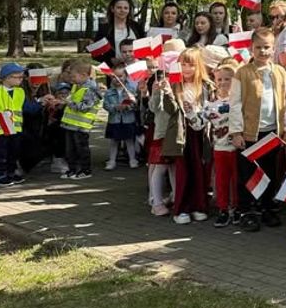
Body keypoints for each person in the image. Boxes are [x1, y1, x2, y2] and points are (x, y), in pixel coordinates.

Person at [229, 27, 286, 232]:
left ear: (273, 48)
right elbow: (235, 103)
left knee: (270, 172)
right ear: (251, 48)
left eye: (267, 47)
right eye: (258, 48)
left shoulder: (280, 72)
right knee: (248, 173)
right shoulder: (243, 73)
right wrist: (236, 132)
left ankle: (267, 207)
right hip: (250, 133)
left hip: (272, 132)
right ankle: (247, 210)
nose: (263, 51)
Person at [151, 47, 213, 225]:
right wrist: (166, 93)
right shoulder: (174, 85)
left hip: (201, 134)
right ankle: (182, 208)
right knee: (183, 172)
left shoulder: (206, 86)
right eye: (183, 64)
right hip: (181, 135)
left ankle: (199, 206)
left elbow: (210, 108)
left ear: (198, 66)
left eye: (191, 65)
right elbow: (170, 111)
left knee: (200, 171)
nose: (186, 69)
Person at [0, 62, 43, 186]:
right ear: (8, 77)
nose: (22, 79)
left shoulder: (20, 92)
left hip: (15, 129)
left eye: (21, 77)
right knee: (1, 152)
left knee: (14, 152)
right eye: (19, 77)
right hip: (0, 129)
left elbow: (28, 108)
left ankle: (11, 172)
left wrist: (41, 103)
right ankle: (0, 175)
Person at [203, 59, 240, 227]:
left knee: (237, 180)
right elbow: (198, 123)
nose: (223, 82)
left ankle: (237, 208)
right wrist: (190, 111)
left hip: (237, 147)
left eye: (227, 79)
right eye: (220, 79)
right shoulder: (210, 104)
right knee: (221, 180)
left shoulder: (239, 101)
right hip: (219, 147)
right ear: (215, 81)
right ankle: (223, 209)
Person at [58, 59, 103, 179]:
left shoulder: (90, 89)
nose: (71, 79)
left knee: (81, 149)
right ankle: (72, 169)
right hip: (70, 124)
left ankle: (85, 170)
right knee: (69, 149)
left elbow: (84, 107)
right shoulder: (76, 86)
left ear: (83, 75)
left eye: (73, 77)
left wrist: (69, 102)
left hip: (81, 126)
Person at [102, 62, 140, 170]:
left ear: (126, 76)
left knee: (129, 140)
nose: (117, 79)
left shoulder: (130, 90)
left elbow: (135, 105)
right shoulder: (109, 92)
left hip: (128, 120)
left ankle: (132, 159)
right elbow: (105, 105)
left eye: (120, 76)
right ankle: (112, 160)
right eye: (114, 77)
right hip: (114, 120)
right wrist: (115, 107)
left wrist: (128, 106)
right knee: (114, 141)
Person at [93, 0, 145, 64]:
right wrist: (110, 60)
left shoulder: (136, 26)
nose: (122, 10)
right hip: (115, 70)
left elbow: (144, 48)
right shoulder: (104, 29)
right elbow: (96, 54)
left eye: (125, 8)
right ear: (112, 9)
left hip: (136, 69)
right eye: (119, 7)